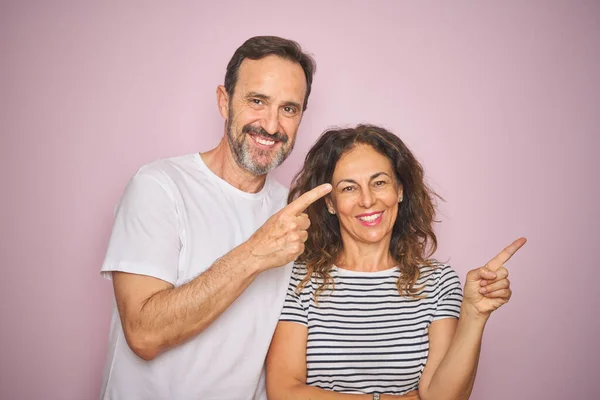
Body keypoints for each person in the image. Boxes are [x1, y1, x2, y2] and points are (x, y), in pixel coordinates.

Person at [99, 36, 332, 400]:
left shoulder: (294, 212)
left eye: (289, 109)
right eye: (257, 101)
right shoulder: (158, 187)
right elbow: (143, 334)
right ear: (225, 101)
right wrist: (256, 253)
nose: (271, 126)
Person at [266, 124, 526, 400]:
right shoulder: (299, 281)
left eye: (379, 183)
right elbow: (283, 391)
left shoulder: (439, 283)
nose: (367, 200)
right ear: (330, 203)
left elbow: (443, 397)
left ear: (399, 190)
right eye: (349, 188)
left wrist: (474, 315)